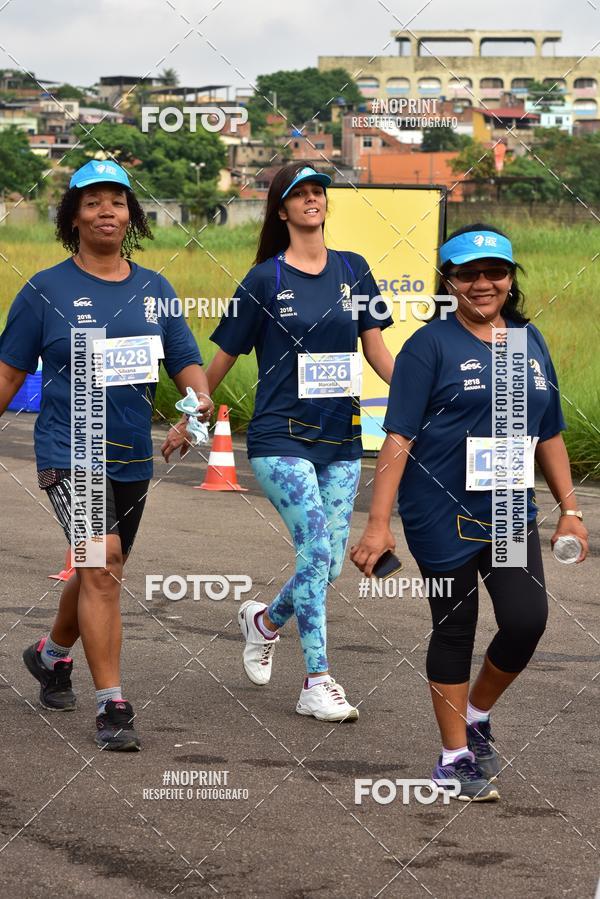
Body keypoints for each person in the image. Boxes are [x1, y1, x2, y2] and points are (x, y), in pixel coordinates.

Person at [351, 223, 588, 800]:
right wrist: (378, 524)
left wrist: (571, 509)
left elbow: (548, 431)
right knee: (454, 628)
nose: (483, 284)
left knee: (527, 621)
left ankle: (477, 712)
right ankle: (453, 756)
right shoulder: (429, 346)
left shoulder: (529, 341)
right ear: (449, 282)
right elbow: (398, 436)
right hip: (441, 510)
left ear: (511, 277)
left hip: (508, 509)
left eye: (495, 272)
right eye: (467, 274)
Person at [165, 164, 394, 721]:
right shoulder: (264, 280)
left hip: (342, 438)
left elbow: (377, 351)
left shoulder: (354, 270)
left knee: (330, 564)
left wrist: (425, 394)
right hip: (279, 437)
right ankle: (317, 680)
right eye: (301, 194)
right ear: (282, 210)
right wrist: (189, 418)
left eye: (319, 192)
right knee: (317, 551)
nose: (312, 200)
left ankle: (263, 622)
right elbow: (219, 362)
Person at [0, 159, 212, 751]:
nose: (106, 211)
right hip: (68, 451)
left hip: (130, 457)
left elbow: (186, 362)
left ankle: (50, 656)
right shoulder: (44, 290)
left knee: (101, 572)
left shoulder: (156, 291)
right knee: (104, 560)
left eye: (116, 201)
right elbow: (8, 375)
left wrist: (196, 412)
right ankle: (113, 705)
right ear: (73, 216)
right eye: (91, 202)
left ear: (131, 214)